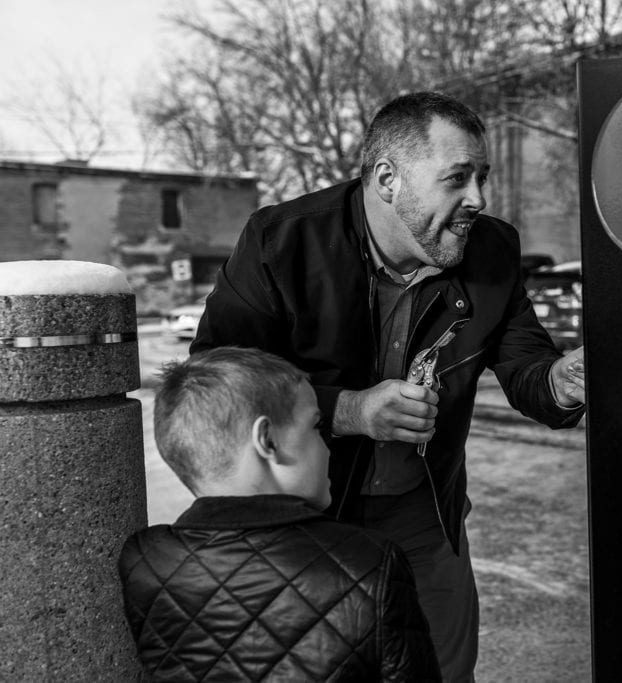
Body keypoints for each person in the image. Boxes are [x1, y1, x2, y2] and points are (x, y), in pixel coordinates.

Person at [191, 91, 587, 680]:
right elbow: (213, 384)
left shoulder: (493, 249)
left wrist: (566, 379)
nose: (477, 199)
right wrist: (349, 410)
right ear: (386, 178)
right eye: (457, 178)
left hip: (425, 516)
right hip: (304, 519)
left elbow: (528, 368)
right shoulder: (281, 242)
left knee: (444, 673)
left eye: (482, 176)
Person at [118, 347, 441, 681]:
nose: (326, 446)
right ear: (267, 440)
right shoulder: (371, 563)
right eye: (316, 427)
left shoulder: (145, 560)